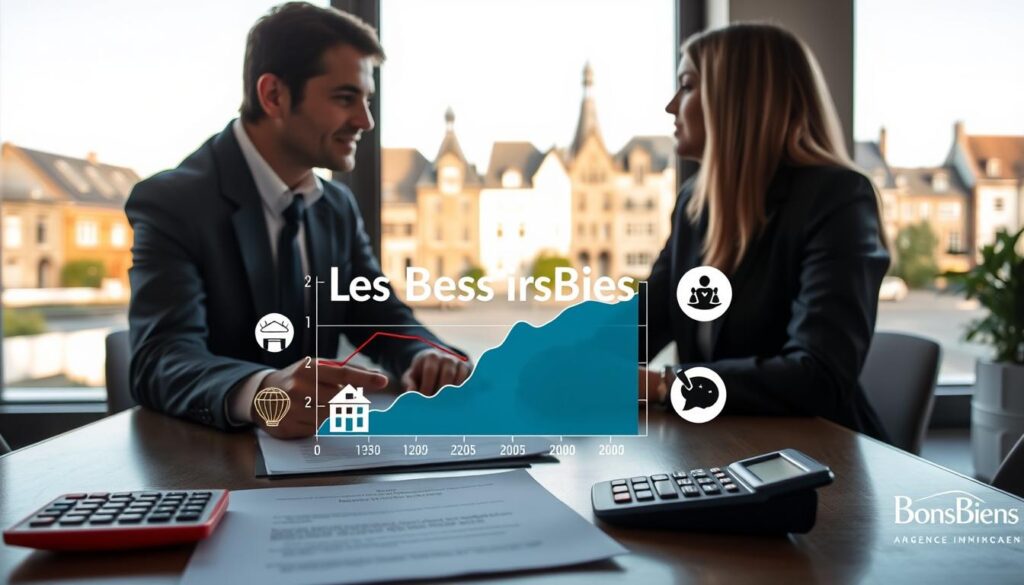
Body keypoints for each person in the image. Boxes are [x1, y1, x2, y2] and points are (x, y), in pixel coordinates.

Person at [127, 2, 470, 439]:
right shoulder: (174, 201)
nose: (365, 121)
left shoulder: (338, 207)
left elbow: (380, 316)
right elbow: (159, 358)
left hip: (323, 460)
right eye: (345, 98)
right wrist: (264, 393)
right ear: (273, 95)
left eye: (366, 100)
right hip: (211, 466)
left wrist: (424, 356)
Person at [640, 23, 890, 439]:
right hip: (719, 449)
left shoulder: (838, 198)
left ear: (736, 101)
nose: (670, 106)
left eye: (686, 86)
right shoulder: (693, 205)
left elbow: (818, 376)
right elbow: (644, 324)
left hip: (821, 463)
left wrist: (666, 384)